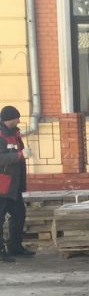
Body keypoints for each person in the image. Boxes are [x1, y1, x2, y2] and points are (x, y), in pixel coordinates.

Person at [0, 105, 31, 262]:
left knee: (19, 215)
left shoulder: (15, 133)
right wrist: (20, 155)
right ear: (8, 119)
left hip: (14, 185)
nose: (19, 120)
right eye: (16, 118)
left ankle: (15, 246)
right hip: (2, 185)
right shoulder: (1, 135)